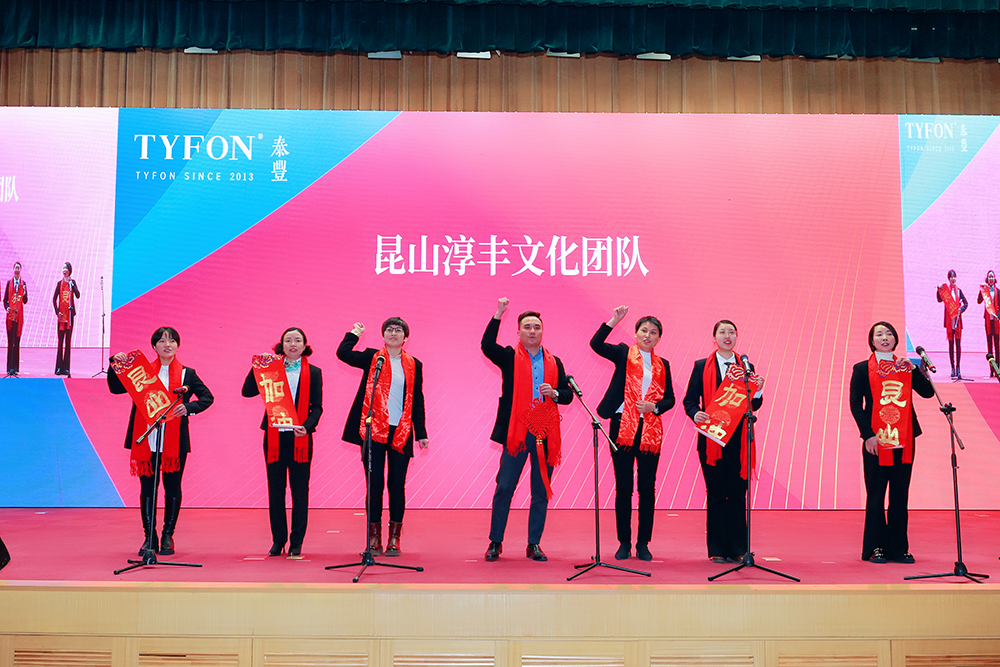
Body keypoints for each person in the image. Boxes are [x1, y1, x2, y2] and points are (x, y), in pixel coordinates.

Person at [108, 327, 214, 555]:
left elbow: (207, 397)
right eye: (162, 341)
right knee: (148, 488)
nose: (168, 345)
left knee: (173, 487)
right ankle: (149, 536)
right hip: (147, 437)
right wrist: (114, 364)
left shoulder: (187, 374)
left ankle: (167, 535)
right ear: (154, 346)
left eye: (172, 341)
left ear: (178, 346)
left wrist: (188, 408)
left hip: (175, 441)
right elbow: (115, 388)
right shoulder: (141, 372)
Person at [482, 298, 573, 562]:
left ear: (542, 331)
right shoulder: (509, 357)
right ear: (519, 332)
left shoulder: (554, 361)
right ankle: (495, 541)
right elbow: (487, 346)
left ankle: (534, 544)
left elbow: (567, 395)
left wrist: (555, 393)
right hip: (517, 432)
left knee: (541, 490)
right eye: (527, 327)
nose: (532, 331)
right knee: (505, 487)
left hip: (544, 430)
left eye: (537, 327)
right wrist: (498, 314)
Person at [590, 305, 675, 561]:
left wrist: (654, 407)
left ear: (659, 338)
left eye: (653, 332)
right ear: (636, 334)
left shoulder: (663, 364)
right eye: (643, 331)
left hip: (649, 432)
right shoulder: (623, 354)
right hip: (622, 427)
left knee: (647, 488)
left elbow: (670, 398)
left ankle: (643, 543)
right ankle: (624, 542)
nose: (648, 335)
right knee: (624, 487)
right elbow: (596, 344)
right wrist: (614, 320)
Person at [338, 318, 428, 556]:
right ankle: (374, 537)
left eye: (398, 330)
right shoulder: (373, 358)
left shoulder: (414, 364)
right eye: (389, 329)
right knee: (374, 483)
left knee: (396, 484)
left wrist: (421, 432)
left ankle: (394, 539)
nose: (393, 333)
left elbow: (417, 399)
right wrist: (354, 333)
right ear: (383, 335)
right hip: (373, 430)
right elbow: (343, 354)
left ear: (405, 337)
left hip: (401, 431)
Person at [849, 321, 934, 564]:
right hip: (876, 441)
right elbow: (856, 404)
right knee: (876, 496)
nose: (884, 337)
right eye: (879, 334)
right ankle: (875, 547)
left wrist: (915, 370)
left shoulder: (904, 367)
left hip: (904, 441)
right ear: (872, 341)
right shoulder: (862, 369)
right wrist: (868, 435)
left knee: (899, 496)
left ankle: (898, 548)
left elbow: (928, 393)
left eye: (889, 334)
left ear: (896, 340)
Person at [682, 320, 764, 564]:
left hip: (739, 439)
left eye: (731, 332)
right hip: (712, 439)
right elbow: (689, 400)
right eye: (722, 332)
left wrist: (758, 390)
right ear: (714, 338)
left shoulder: (746, 367)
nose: (727, 336)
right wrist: (695, 413)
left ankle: (738, 548)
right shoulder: (701, 366)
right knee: (717, 492)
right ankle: (717, 548)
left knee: (738, 493)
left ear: (737, 337)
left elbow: (754, 404)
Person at [242, 327, 323, 557]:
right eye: (288, 340)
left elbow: (317, 407)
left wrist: (307, 427)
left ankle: (297, 540)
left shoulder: (314, 372)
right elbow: (247, 392)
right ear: (281, 345)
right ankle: (278, 540)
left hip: (300, 438)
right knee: (275, 490)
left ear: (305, 345)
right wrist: (258, 367)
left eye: (297, 340)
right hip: (274, 436)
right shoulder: (271, 369)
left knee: (300, 490)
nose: (293, 344)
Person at [936, 269, 968, 379]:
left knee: (958, 345)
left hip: (957, 321)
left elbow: (966, 303)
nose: (953, 278)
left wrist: (961, 309)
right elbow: (939, 300)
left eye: (954, 276)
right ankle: (952, 367)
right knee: (951, 345)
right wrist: (938, 290)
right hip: (950, 322)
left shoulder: (959, 291)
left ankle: (958, 368)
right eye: (951, 277)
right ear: (948, 279)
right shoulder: (946, 292)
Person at [52, 262, 80, 377]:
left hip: (69, 317)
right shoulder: (59, 283)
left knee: (68, 342)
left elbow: (78, 295)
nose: (64, 270)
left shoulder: (72, 283)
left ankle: (66, 368)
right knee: (60, 342)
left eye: (66, 268)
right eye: (63, 268)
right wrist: (57, 311)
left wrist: (73, 287)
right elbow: (54, 299)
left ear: (69, 270)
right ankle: (59, 368)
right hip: (61, 317)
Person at [4, 262, 27, 376]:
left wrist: (25, 292)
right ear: (13, 270)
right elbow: (5, 300)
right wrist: (7, 307)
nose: (17, 270)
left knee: (17, 341)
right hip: (10, 317)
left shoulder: (23, 284)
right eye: (15, 268)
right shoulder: (9, 283)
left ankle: (15, 367)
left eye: (18, 268)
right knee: (10, 341)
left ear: (20, 270)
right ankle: (9, 368)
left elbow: (25, 301)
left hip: (18, 316)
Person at [978, 270, 999, 376]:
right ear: (987, 279)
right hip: (988, 321)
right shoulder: (985, 292)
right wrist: (981, 290)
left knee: (997, 346)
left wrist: (998, 316)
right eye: (989, 277)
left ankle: (997, 368)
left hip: (996, 321)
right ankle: (991, 368)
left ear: (994, 279)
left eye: (992, 277)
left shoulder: (998, 291)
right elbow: (978, 301)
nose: (991, 279)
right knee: (989, 346)